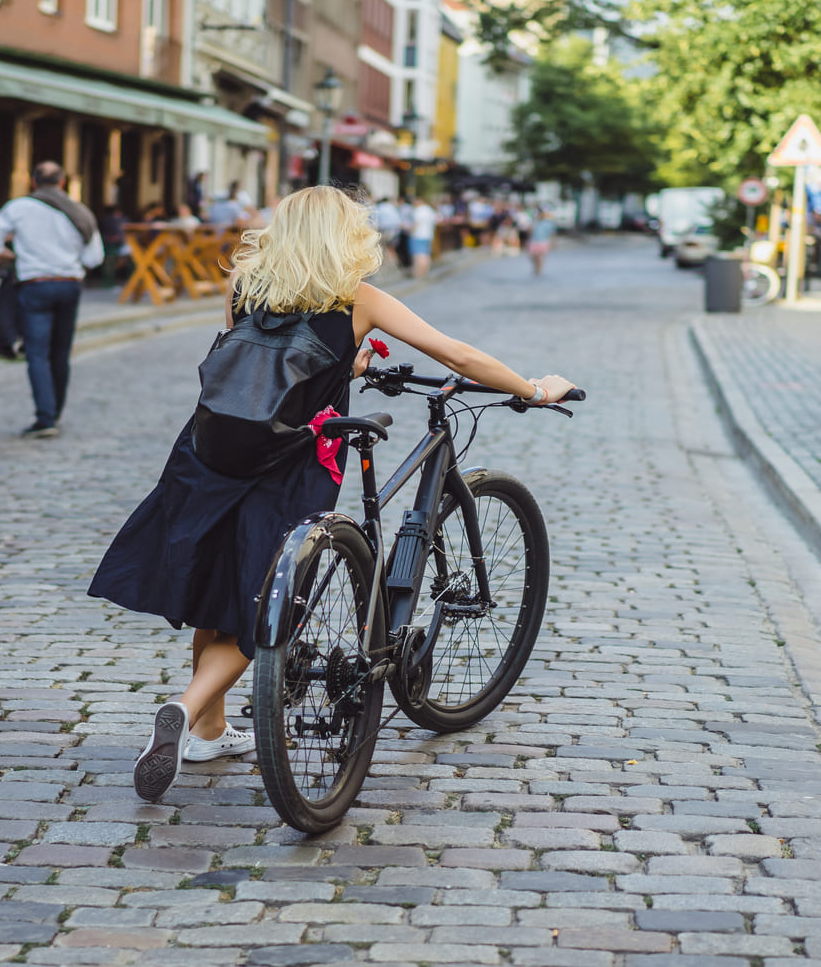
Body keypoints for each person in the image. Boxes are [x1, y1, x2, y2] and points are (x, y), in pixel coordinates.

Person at [88, 186, 575, 803]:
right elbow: (456, 354)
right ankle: (185, 711)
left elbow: (263, 368)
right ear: (345, 237)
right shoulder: (355, 301)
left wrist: (355, 366)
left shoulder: (246, 289)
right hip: (290, 464)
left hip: (209, 456)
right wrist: (532, 389)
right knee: (268, 601)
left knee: (218, 589)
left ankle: (209, 731)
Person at [0, 161, 104, 438]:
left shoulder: (18, 207)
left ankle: (45, 418)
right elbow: (94, 258)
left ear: (33, 182)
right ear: (62, 182)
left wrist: (14, 256)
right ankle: (55, 413)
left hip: (35, 285)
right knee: (61, 353)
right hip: (69, 285)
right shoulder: (80, 211)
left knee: (37, 353)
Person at [408, 196, 438, 279]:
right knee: (426, 254)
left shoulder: (418, 211)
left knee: (418, 255)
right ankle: (425, 272)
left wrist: (411, 232)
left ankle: (418, 273)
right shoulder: (429, 210)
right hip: (428, 235)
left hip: (418, 235)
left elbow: (416, 224)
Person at [371, 197, 402, 267]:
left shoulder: (379, 207)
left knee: (382, 247)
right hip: (395, 230)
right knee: (391, 248)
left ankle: (386, 264)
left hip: (384, 230)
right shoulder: (392, 207)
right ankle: (394, 264)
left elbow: (375, 221)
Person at [527, 207, 557, 276]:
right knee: (532, 257)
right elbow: (529, 232)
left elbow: (552, 234)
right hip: (533, 241)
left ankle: (538, 271)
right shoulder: (534, 222)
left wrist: (553, 243)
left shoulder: (548, 223)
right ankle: (536, 268)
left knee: (541, 258)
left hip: (543, 242)